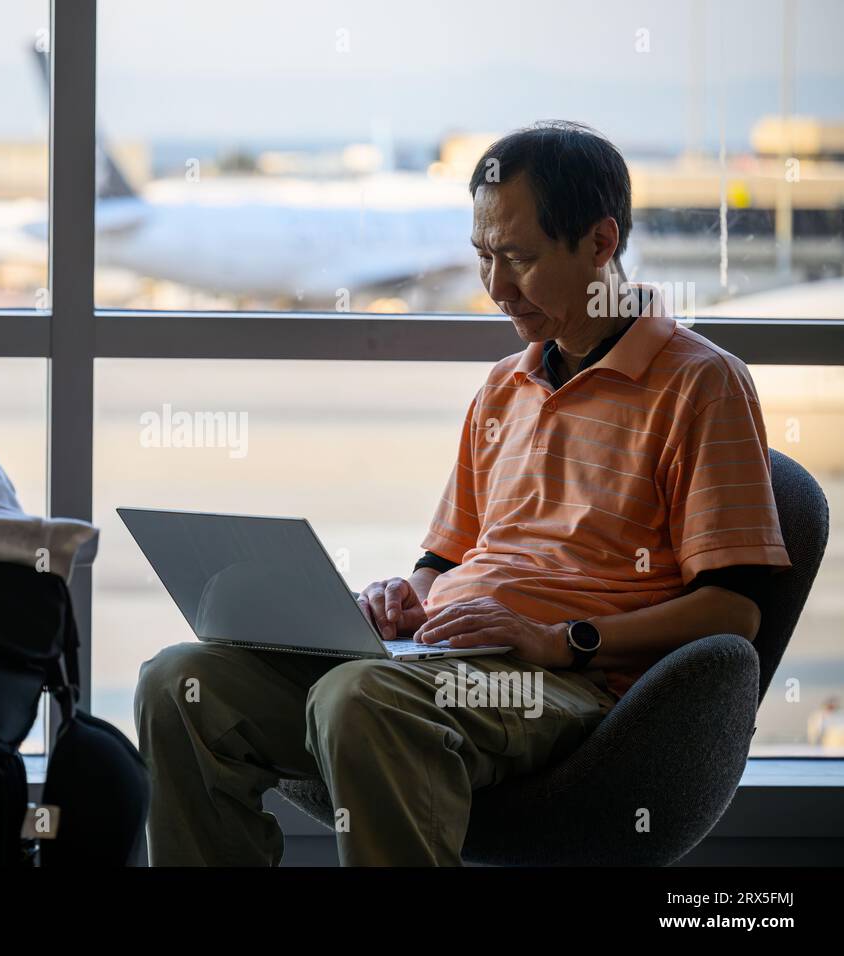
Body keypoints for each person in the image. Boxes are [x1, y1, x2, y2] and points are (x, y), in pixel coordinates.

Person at [134, 120, 792, 866]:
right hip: (436, 660)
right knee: (177, 684)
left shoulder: (703, 384)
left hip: (565, 685)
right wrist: (405, 597)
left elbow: (734, 610)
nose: (497, 287)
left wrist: (561, 640)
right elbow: (445, 559)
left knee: (360, 700)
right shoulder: (502, 387)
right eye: (483, 256)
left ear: (602, 242)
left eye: (520, 258)